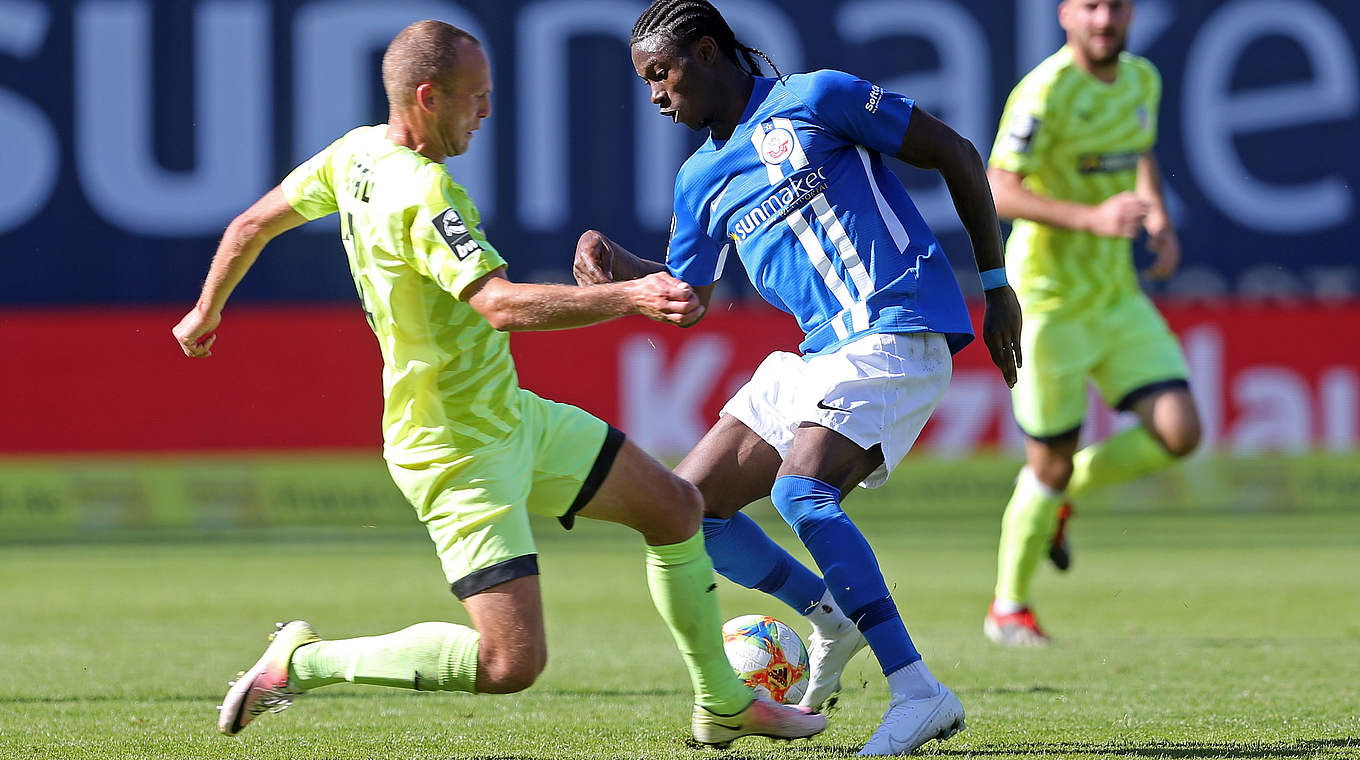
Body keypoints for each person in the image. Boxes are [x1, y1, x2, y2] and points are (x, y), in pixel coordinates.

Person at [171, 20, 826, 749]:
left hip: (510, 419)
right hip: (455, 450)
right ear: (427, 97)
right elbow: (499, 305)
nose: (486, 111)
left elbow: (252, 222)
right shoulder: (424, 194)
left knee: (675, 508)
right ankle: (304, 662)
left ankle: (723, 704)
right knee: (510, 662)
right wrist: (630, 298)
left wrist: (205, 311)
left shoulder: (355, 154)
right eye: (475, 97)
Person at [572, 1, 1023, 754]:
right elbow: (687, 302)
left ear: (708, 53)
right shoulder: (699, 181)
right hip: (820, 355)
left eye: (663, 74)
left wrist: (997, 282)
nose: (656, 95)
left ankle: (918, 691)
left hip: (898, 324)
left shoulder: (816, 99)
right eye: (645, 81)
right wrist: (615, 264)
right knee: (684, 509)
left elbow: (956, 151)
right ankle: (828, 616)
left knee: (799, 491)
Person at [983, 0, 1201, 646]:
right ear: (1065, 15)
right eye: (1091, 7)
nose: (1104, 20)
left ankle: (1061, 497)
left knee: (1181, 430)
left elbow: (1139, 153)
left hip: (1115, 296)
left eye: (1116, 7)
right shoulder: (1044, 92)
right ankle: (1008, 609)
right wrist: (1091, 219)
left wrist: (1156, 215)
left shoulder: (1143, 79)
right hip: (1046, 301)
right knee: (1044, 463)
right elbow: (996, 187)